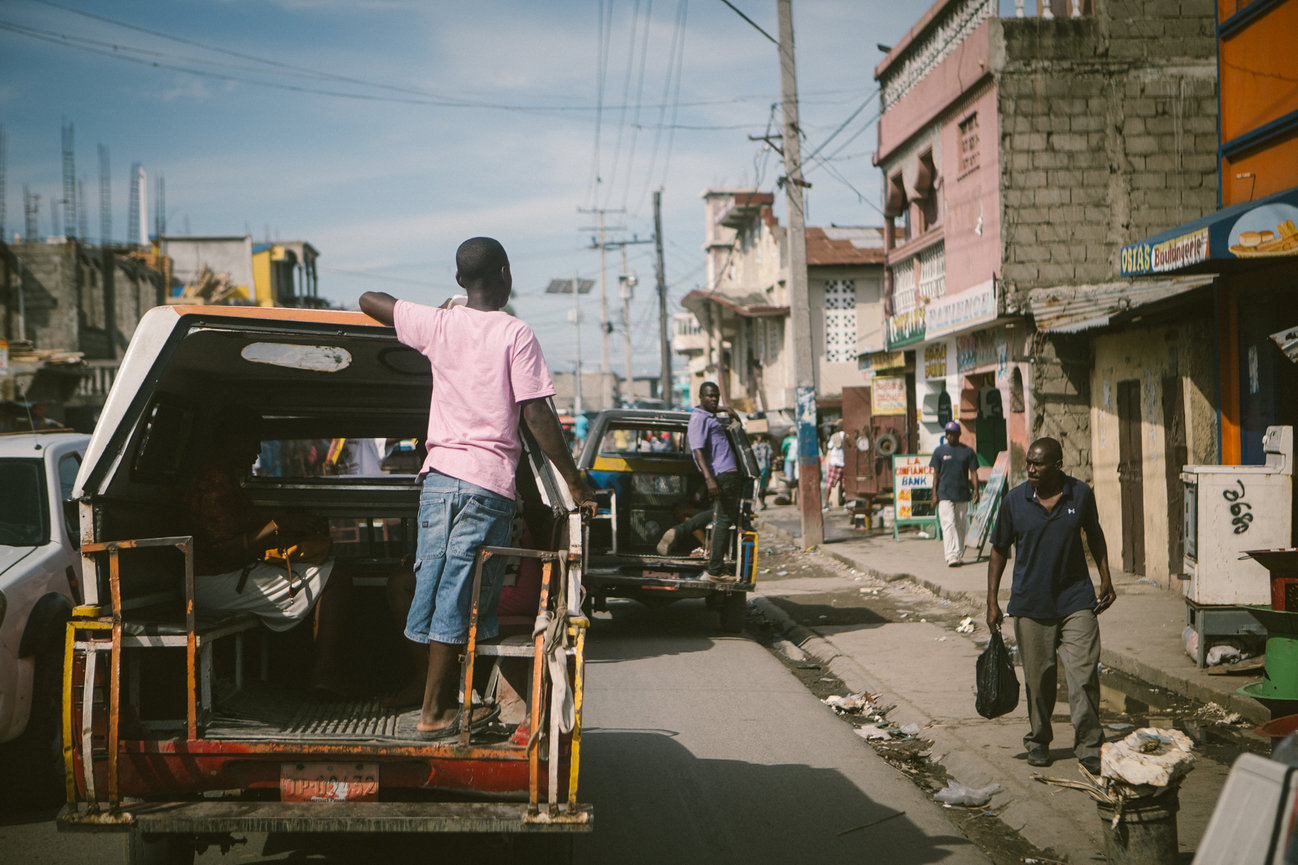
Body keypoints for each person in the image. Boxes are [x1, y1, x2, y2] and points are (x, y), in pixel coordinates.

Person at [359, 237, 595, 741]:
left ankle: (438, 700)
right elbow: (536, 415)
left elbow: (367, 299)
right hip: (485, 484)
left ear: (460, 279)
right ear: (505, 274)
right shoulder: (516, 333)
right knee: (461, 597)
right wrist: (574, 480)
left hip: (437, 481)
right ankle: (435, 711)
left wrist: (449, 307)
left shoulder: (440, 323)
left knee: (434, 585)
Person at [180, 405, 354, 697]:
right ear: (232, 441)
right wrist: (277, 526)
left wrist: (290, 522)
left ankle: (313, 672)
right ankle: (323, 674)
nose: (258, 450)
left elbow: (244, 526)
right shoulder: (213, 484)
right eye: (253, 441)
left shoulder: (222, 479)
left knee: (328, 573)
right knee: (336, 576)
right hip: (213, 581)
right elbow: (226, 552)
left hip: (227, 575)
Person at [985, 436, 1116, 774]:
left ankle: (1088, 743)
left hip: (1076, 600)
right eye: (1028, 462)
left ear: (1057, 465)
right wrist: (991, 602)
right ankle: (1039, 740)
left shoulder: (1080, 494)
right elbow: (998, 550)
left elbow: (1095, 534)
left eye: (1038, 463)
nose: (1030, 468)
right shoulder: (1014, 501)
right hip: (1030, 604)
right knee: (1039, 679)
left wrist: (1105, 577)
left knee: (1084, 673)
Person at [655, 381, 742, 581]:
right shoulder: (698, 419)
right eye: (709, 396)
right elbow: (697, 451)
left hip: (725, 473)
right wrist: (709, 479)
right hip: (722, 473)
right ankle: (715, 570)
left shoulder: (709, 415)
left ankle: (678, 531)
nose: (713, 399)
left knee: (715, 514)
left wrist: (725, 408)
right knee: (723, 520)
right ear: (700, 397)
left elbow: (713, 410)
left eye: (716, 396)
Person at [930, 420, 981, 566]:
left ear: (959, 434)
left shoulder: (968, 452)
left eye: (953, 433)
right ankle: (951, 555)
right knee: (949, 523)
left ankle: (958, 554)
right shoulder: (939, 452)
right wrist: (934, 494)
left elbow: (974, 473)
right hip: (944, 494)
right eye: (948, 433)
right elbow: (936, 475)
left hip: (962, 493)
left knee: (960, 524)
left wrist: (976, 490)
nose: (950, 436)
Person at [823, 421, 846, 511]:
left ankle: (826, 503)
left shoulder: (835, 436)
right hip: (844, 463)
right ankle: (847, 504)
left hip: (835, 463)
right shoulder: (846, 435)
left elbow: (829, 446)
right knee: (845, 485)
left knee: (829, 484)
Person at [751, 434, 774, 510]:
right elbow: (771, 455)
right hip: (764, 467)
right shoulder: (767, 446)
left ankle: (761, 503)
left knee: (758, 486)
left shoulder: (752, 446)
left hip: (756, 468)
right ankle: (762, 503)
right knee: (762, 487)